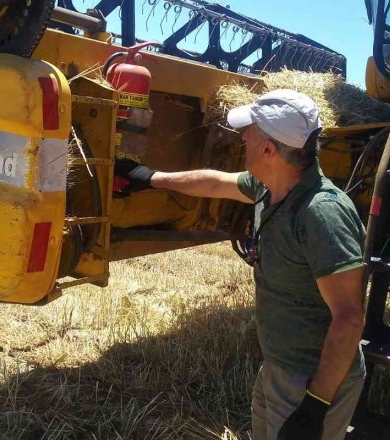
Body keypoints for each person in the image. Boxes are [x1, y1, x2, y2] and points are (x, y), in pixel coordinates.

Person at [115, 89, 367, 440]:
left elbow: (350, 317)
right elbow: (214, 182)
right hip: (279, 365)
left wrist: (315, 404)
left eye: (250, 131)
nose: (243, 136)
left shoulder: (320, 213)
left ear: (269, 149)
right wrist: (149, 176)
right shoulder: (271, 187)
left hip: (310, 378)